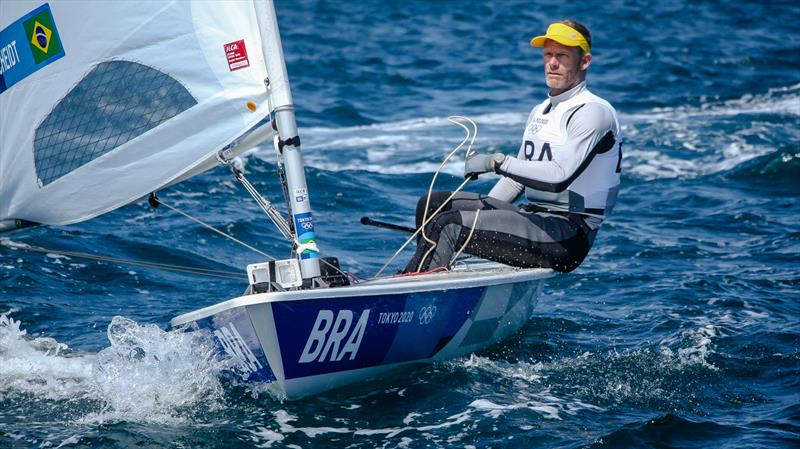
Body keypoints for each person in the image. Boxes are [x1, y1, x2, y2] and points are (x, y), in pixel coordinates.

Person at [403, 19, 622, 274]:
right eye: (548, 54)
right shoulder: (540, 111)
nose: (552, 63)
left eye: (562, 56)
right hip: (532, 217)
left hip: (568, 233)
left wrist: (496, 162)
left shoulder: (592, 112)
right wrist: (481, 222)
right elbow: (517, 182)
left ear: (585, 61)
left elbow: (558, 178)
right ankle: (427, 273)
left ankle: (408, 297)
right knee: (435, 206)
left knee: (448, 225)